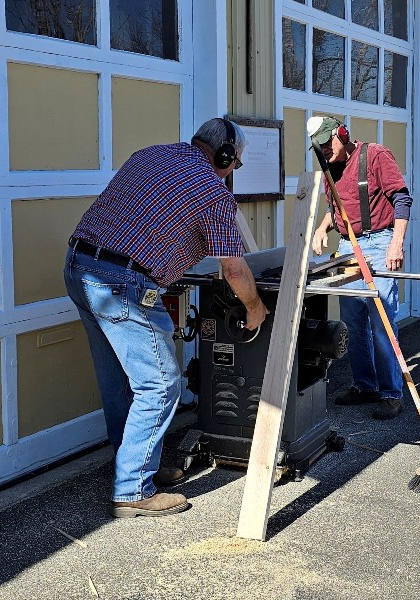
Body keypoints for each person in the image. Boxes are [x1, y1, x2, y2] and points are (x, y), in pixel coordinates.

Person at [64, 118, 269, 518]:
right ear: (225, 156)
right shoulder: (213, 192)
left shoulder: (151, 155)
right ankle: (133, 490)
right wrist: (255, 307)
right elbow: (235, 272)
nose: (232, 171)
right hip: (121, 282)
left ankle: (139, 466)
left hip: (79, 266)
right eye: (235, 164)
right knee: (160, 384)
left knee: (119, 379)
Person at [307, 116, 413, 420]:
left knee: (381, 324)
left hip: (380, 243)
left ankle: (391, 393)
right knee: (353, 324)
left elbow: (402, 200)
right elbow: (337, 209)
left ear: (342, 133)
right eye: (320, 148)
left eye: (329, 144)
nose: (325, 151)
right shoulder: (329, 167)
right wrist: (321, 229)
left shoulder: (375, 156)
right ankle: (365, 386)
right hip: (348, 247)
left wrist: (397, 243)